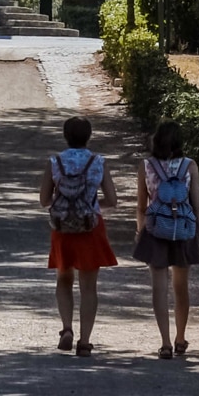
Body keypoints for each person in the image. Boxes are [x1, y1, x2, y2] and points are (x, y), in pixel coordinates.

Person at [40, 116, 118, 355]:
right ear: (89, 136)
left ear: (65, 136)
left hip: (63, 229)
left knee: (64, 279)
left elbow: (44, 201)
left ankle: (66, 329)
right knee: (88, 286)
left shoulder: (55, 162)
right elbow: (113, 200)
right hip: (90, 227)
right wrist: (92, 205)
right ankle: (84, 341)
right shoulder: (98, 162)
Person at [133, 120, 199, 358]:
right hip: (183, 231)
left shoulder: (146, 166)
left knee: (159, 288)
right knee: (181, 287)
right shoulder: (189, 166)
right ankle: (180, 337)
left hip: (156, 230)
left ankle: (165, 342)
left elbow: (141, 206)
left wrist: (140, 232)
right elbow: (196, 206)